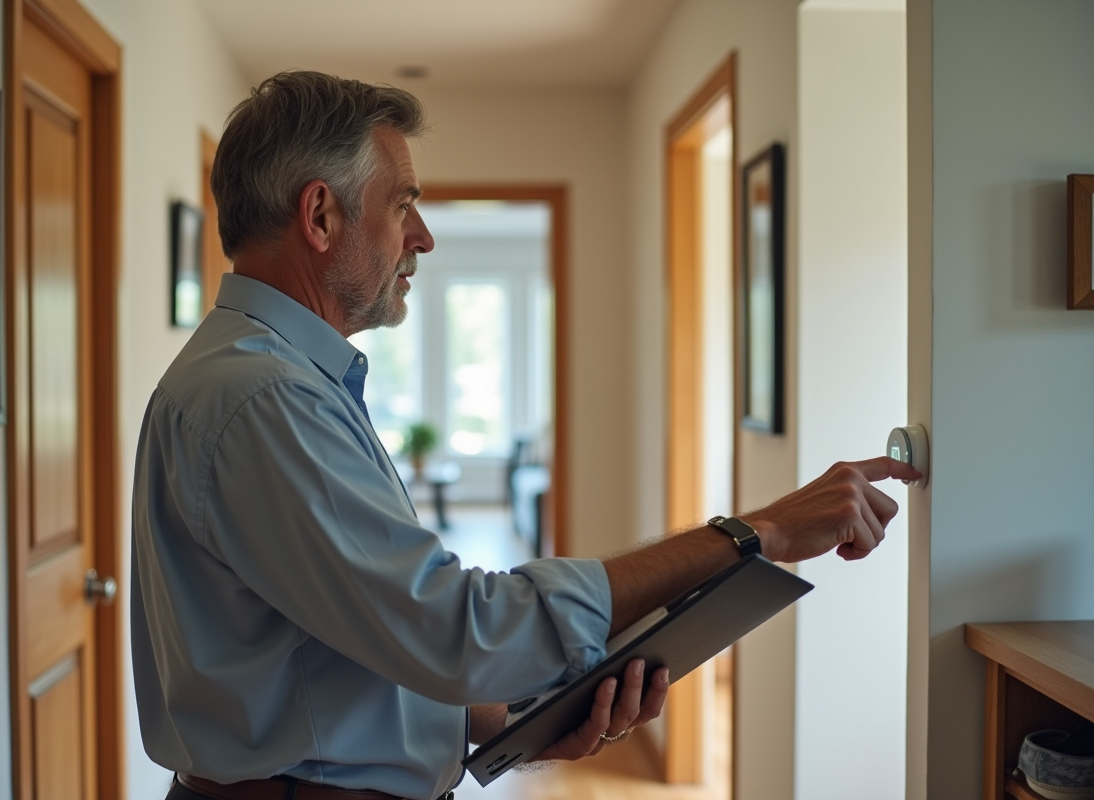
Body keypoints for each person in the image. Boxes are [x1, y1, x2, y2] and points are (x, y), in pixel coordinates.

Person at [131, 70, 919, 800]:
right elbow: (459, 631)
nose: (424, 237)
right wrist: (758, 533)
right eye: (404, 204)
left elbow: (359, 641)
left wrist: (512, 720)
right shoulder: (264, 400)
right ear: (321, 215)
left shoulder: (275, 382)